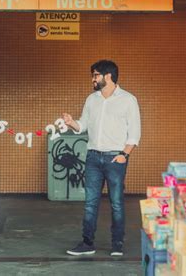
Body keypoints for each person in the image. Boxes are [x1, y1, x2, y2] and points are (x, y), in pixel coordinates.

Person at [63, 60, 141, 257]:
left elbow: (135, 132)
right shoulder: (92, 99)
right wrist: (72, 123)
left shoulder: (128, 100)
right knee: (90, 203)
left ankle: (117, 244)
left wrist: (124, 154)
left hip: (116, 158)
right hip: (92, 157)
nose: (93, 79)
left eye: (96, 75)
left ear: (108, 76)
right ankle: (87, 243)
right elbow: (83, 126)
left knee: (116, 202)